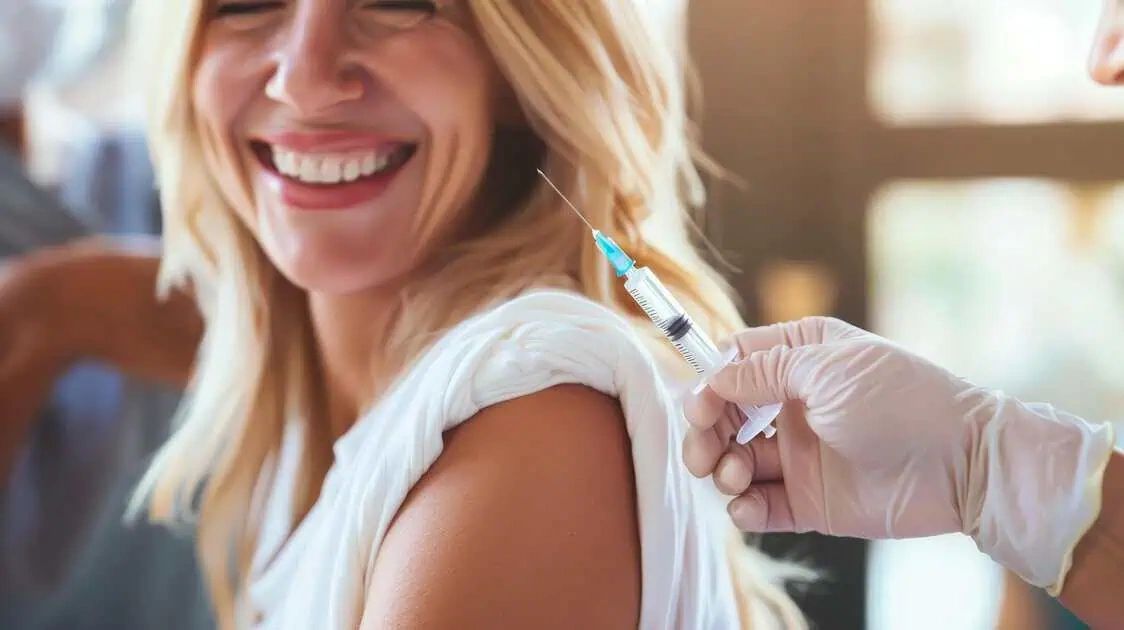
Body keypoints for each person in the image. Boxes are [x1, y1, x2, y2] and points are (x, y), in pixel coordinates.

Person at [7, 0, 813, 628]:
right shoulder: (302, 422)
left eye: (399, 1)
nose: (305, 79)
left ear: (517, 69)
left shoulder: (533, 419)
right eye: (246, 3)